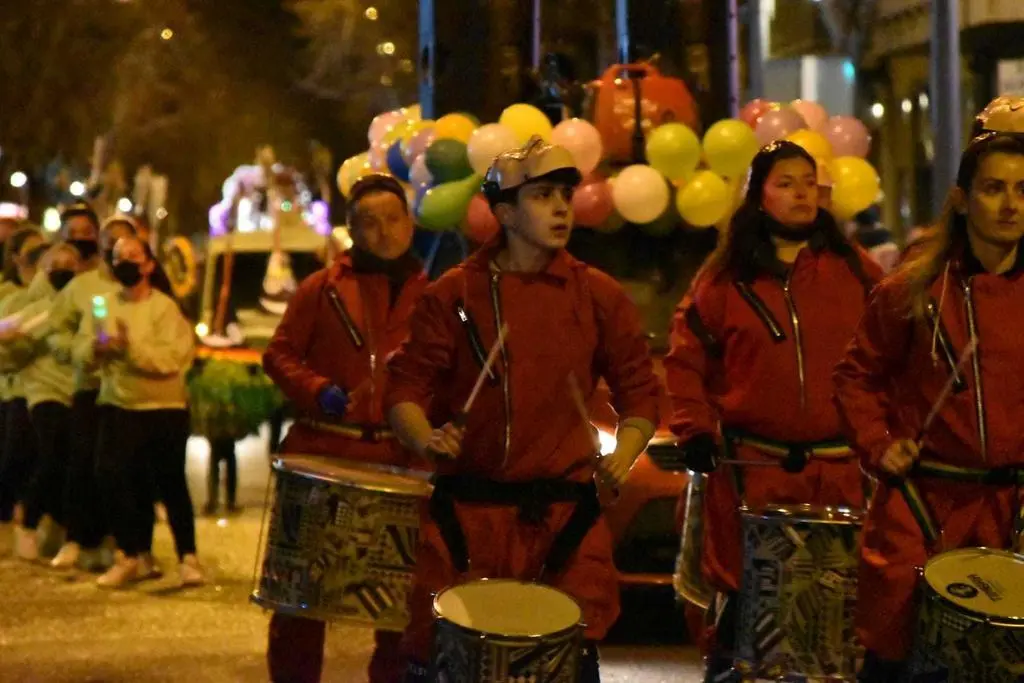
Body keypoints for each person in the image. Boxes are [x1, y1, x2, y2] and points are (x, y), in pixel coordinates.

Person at [386, 137, 661, 683]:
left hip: (564, 519)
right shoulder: (452, 294)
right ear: (505, 212)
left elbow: (641, 393)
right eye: (542, 196)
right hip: (469, 518)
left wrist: (624, 455)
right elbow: (405, 391)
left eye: (564, 194)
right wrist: (426, 438)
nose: (561, 207)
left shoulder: (598, 294)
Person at [664, 140, 883, 681]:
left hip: (840, 475)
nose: (801, 192)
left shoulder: (856, 271)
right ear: (759, 197)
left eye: (808, 181)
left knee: (837, 619)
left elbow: (893, 349)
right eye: (785, 183)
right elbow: (685, 360)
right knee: (748, 620)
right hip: (752, 478)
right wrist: (694, 428)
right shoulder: (723, 281)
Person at [834, 131, 1024, 682]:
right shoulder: (913, 290)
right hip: (925, 505)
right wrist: (878, 444)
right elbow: (855, 377)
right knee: (898, 656)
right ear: (963, 200)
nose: (1011, 203)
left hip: (1015, 511)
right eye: (994, 188)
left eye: (1022, 189)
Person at [262, 173, 430, 683]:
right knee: (302, 600)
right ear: (352, 230)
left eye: (393, 220)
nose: (383, 233)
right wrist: (318, 390)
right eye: (369, 223)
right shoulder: (322, 288)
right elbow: (279, 354)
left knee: (400, 606)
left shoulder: (438, 293)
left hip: (401, 464)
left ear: (410, 222)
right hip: (325, 455)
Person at [74, 234, 203, 588]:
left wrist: (130, 350)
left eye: (133, 256)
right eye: (118, 257)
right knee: (112, 476)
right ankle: (131, 554)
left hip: (164, 408)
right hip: (119, 404)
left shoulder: (165, 308)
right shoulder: (102, 305)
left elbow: (172, 359)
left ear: (148, 265)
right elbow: (80, 351)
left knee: (170, 481)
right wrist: (98, 350)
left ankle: (188, 557)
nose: (126, 262)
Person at [41, 206, 136, 570]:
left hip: (129, 390)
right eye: (108, 240)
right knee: (81, 462)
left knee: (119, 469)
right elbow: (56, 331)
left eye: (122, 241)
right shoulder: (83, 286)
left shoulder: (139, 285)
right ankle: (77, 538)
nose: (114, 247)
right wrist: (83, 351)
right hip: (89, 387)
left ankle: (124, 543)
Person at [0, 243, 82, 560]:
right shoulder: (36, 308)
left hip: (78, 390)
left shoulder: (87, 302)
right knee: (51, 454)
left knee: (70, 462)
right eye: (55, 264)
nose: (62, 269)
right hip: (44, 390)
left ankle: (60, 527)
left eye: (69, 263)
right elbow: (11, 342)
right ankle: (29, 522)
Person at [0, 227, 48, 559]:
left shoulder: (51, 293)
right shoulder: (5, 293)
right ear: (15, 257)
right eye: (30, 252)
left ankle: (32, 520)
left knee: (42, 456)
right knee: (12, 459)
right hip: (10, 389)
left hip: (44, 387)